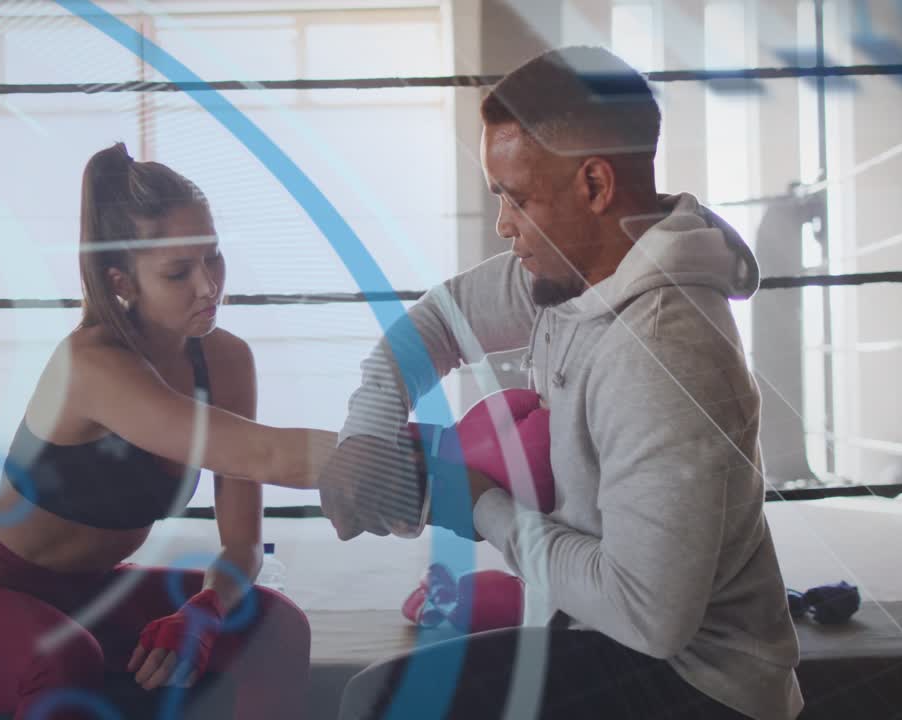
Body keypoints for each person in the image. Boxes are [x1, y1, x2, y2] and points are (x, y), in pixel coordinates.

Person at [321, 47, 803, 719]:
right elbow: (433, 323)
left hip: (697, 684)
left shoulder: (664, 357)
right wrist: (369, 434)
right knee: (380, 695)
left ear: (596, 187)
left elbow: (649, 620)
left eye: (517, 198)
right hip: (602, 631)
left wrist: (476, 501)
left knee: (387, 705)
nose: (503, 226)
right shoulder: (579, 269)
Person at [0, 143, 334, 720]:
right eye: (178, 271)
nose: (208, 286)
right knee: (61, 662)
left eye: (214, 258)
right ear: (121, 280)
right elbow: (268, 454)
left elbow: (241, 544)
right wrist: (429, 454)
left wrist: (207, 607)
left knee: (275, 625)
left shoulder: (226, 361)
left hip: (93, 589)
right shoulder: (93, 365)